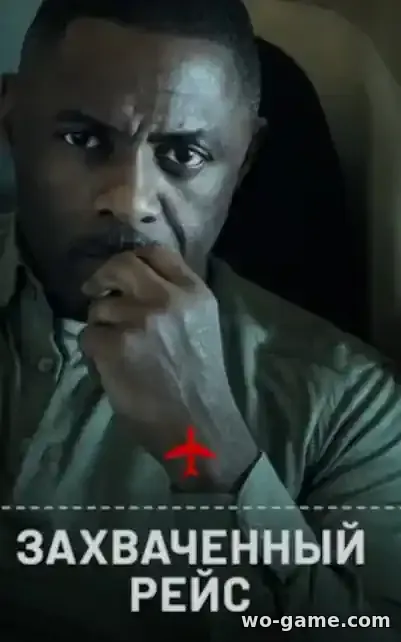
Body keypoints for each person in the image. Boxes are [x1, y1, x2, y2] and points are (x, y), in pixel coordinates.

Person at [0, 0, 400, 639]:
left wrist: (212, 451)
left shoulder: (352, 411)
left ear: (245, 160)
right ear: (11, 119)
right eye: (83, 139)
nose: (130, 200)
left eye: (184, 154)